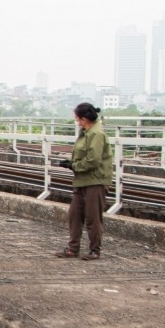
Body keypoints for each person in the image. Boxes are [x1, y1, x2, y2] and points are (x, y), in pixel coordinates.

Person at [55, 102, 114, 260]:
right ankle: (73, 248)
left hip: (95, 181)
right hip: (81, 180)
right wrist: (71, 163)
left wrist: (74, 165)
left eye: (77, 118)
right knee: (74, 215)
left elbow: (93, 160)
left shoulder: (97, 134)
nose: (76, 121)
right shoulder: (85, 133)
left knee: (92, 217)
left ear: (84, 119)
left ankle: (95, 250)